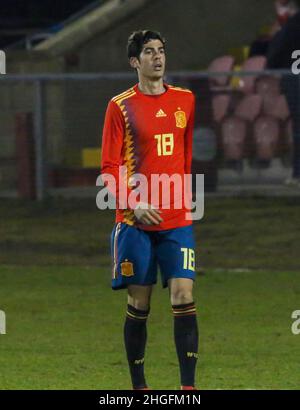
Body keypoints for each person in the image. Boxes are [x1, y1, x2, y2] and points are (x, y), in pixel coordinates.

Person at [101, 30, 198, 390]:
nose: (157, 57)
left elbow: (185, 158)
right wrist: (134, 203)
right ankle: (139, 387)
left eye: (161, 50)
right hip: (134, 223)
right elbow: (109, 169)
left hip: (176, 220)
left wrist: (184, 199)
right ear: (134, 62)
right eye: (148, 52)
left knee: (184, 295)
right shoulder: (120, 106)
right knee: (139, 303)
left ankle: (188, 388)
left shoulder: (186, 100)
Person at [267, 9, 300, 186]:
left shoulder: (291, 25)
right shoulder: (292, 24)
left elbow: (276, 51)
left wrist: (272, 65)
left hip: (294, 84)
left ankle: (298, 174)